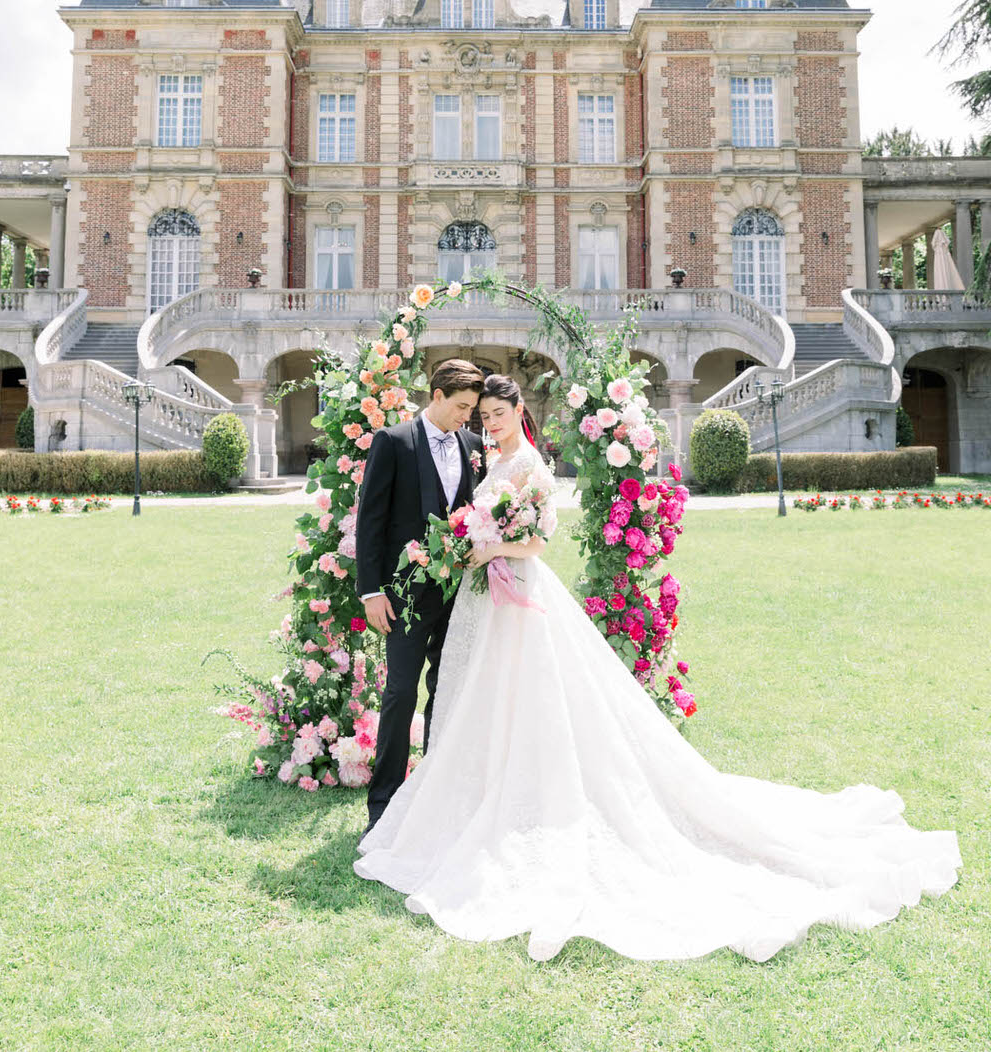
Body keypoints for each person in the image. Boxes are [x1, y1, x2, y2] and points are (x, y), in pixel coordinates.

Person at [354, 374, 961, 964]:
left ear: (519, 413)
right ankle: (466, 791)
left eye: (496, 413)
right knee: (474, 695)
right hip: (478, 599)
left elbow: (537, 541)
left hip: (515, 590)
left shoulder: (530, 466)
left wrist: (491, 546)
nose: (487, 422)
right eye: (481, 414)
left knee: (523, 695)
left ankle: (518, 799)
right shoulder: (480, 455)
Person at [355, 357, 486, 837]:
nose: (467, 417)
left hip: (458, 593)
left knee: (446, 690)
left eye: (472, 410)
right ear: (437, 395)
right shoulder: (393, 441)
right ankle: (384, 803)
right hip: (403, 596)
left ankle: (432, 795)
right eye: (461, 407)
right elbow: (370, 520)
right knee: (400, 692)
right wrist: (371, 591)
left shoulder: (472, 446)